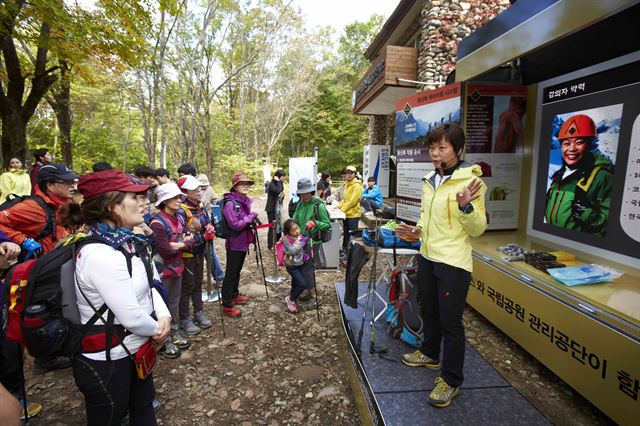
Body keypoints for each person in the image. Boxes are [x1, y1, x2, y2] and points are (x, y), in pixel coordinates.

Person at [396, 123, 487, 408]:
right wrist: (417, 231)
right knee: (429, 310)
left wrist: (465, 207)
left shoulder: (471, 183)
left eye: (442, 148)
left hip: (453, 263)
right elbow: (427, 218)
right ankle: (430, 353)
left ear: (458, 149)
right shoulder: (429, 180)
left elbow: (478, 229)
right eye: (432, 148)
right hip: (428, 255)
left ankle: (451, 380)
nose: (435, 154)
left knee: (451, 322)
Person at [74, 170, 171, 425]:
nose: (143, 203)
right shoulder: (100, 255)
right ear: (110, 205)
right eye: (134, 197)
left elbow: (152, 283)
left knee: (144, 405)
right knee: (109, 417)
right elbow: (131, 316)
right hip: (108, 359)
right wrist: (159, 330)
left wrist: (164, 316)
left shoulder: (130, 242)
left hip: (136, 347)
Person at [545, 114, 613, 237]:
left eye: (579, 143)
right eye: (566, 143)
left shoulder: (603, 177)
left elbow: (610, 227)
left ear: (589, 145)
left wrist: (586, 214)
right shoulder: (560, 175)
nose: (571, 149)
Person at [150, 183, 194, 358]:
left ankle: (173, 332)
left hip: (177, 267)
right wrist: (185, 243)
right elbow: (165, 251)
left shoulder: (180, 218)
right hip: (163, 271)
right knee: (163, 305)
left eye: (179, 197)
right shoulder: (157, 223)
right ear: (164, 200)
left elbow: (193, 238)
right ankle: (163, 340)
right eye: (175, 197)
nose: (179, 200)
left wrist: (182, 243)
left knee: (174, 302)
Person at [176, 175, 213, 335]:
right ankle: (184, 318)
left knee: (198, 283)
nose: (199, 191)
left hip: (200, 250)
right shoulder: (180, 211)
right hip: (187, 254)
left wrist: (209, 227)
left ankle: (199, 311)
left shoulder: (199, 205)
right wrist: (203, 236)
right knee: (187, 286)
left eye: (199, 188)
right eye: (195, 189)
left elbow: (206, 223)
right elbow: (183, 236)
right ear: (185, 191)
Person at [220, 172, 258, 317]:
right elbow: (235, 224)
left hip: (242, 241)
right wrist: (251, 216)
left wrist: (249, 218)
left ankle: (234, 294)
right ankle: (227, 304)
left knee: (237, 270)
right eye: (242, 184)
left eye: (247, 184)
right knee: (231, 272)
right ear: (235, 187)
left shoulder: (243, 201)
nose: (246, 186)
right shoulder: (231, 203)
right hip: (234, 242)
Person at [291, 178, 331, 306]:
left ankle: (314, 296)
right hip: (301, 241)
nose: (304, 196)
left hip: (313, 242)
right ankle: (308, 290)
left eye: (307, 193)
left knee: (308, 269)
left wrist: (315, 223)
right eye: (302, 193)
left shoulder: (318, 205)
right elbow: (295, 219)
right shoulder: (300, 204)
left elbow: (326, 224)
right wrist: (289, 230)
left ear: (312, 192)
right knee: (302, 268)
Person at [281, 219, 310, 313]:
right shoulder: (286, 239)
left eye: (297, 228)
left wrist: (304, 254)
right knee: (302, 284)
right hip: (291, 265)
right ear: (288, 232)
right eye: (293, 230)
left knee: (296, 282)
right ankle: (291, 299)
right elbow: (291, 251)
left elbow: (300, 249)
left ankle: (294, 297)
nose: (297, 231)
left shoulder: (299, 236)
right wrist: (302, 244)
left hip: (299, 263)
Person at [337, 166, 362, 260]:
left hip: (353, 215)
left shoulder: (357, 186)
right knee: (346, 235)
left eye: (351, 173)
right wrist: (338, 206)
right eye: (347, 173)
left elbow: (352, 201)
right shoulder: (347, 184)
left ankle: (353, 257)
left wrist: (342, 210)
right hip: (347, 215)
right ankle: (345, 253)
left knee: (352, 236)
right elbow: (345, 199)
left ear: (355, 174)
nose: (349, 175)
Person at [265, 169, 285, 249]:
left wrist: (279, 182)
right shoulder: (272, 184)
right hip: (271, 209)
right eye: (283, 176)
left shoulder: (279, 183)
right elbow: (278, 190)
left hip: (277, 208)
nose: (284, 178)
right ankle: (270, 244)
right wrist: (278, 182)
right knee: (272, 226)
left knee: (278, 225)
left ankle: (277, 242)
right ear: (278, 176)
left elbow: (281, 189)